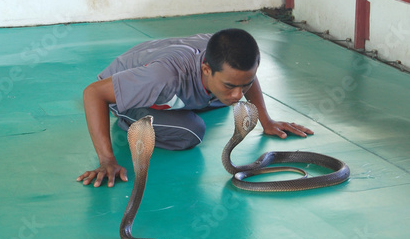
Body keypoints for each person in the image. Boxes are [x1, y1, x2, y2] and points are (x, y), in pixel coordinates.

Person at [77, 29, 313, 188]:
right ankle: (130, 119)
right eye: (230, 85)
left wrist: (266, 120)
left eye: (245, 84)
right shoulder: (163, 78)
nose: (238, 95)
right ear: (206, 69)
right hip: (130, 87)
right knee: (190, 131)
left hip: (162, 66)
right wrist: (107, 159)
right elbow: (93, 93)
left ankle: (200, 98)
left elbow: (241, 78)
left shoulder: (225, 59)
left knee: (226, 96)